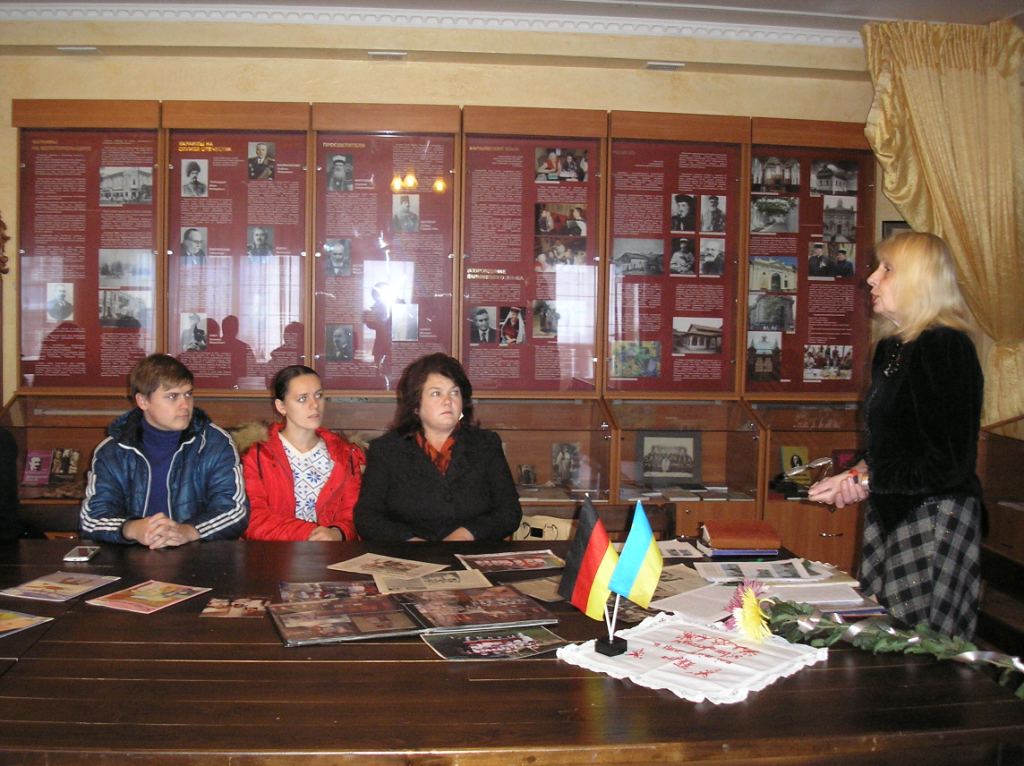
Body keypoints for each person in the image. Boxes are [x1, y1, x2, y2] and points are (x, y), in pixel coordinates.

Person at [807, 232, 984, 639]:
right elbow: (891, 445)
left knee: (919, 653)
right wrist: (854, 476)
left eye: (887, 269)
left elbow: (947, 465)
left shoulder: (946, 347)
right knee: (882, 639)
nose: (871, 278)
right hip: (890, 514)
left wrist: (868, 480)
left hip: (933, 521)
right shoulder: (892, 348)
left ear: (919, 280)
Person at [80, 354, 248, 548]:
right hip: (131, 556)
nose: (185, 405)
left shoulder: (214, 443)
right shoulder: (113, 451)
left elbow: (235, 511)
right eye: (172, 396)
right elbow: (91, 519)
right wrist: (132, 528)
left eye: (188, 394)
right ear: (143, 401)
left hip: (197, 555)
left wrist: (188, 531)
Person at [354, 353, 522, 542]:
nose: (448, 401)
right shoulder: (386, 450)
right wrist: (409, 541)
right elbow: (367, 518)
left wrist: (467, 533)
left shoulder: (486, 444)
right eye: (436, 393)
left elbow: (509, 512)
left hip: (471, 552)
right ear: (415, 405)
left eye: (454, 392)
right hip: (408, 555)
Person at [241, 366, 364, 541]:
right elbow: (253, 519)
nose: (315, 405)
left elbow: (353, 513)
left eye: (319, 395)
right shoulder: (257, 455)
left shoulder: (344, 454)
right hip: (274, 552)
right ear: (281, 406)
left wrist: (338, 532)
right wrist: (312, 533)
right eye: (302, 398)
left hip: (330, 552)